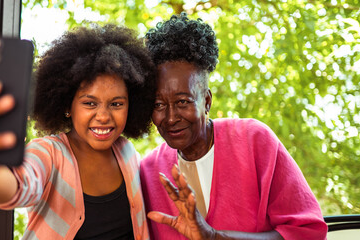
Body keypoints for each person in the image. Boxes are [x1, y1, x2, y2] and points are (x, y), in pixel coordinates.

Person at [0, 24, 156, 240]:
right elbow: (17, 187)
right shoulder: (48, 153)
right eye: (90, 103)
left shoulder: (127, 152)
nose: (104, 116)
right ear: (67, 106)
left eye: (116, 104)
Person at [139, 13, 328, 240]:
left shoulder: (254, 141)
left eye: (182, 102)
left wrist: (213, 237)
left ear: (207, 101)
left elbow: (306, 233)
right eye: (159, 104)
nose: (170, 118)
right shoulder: (149, 171)